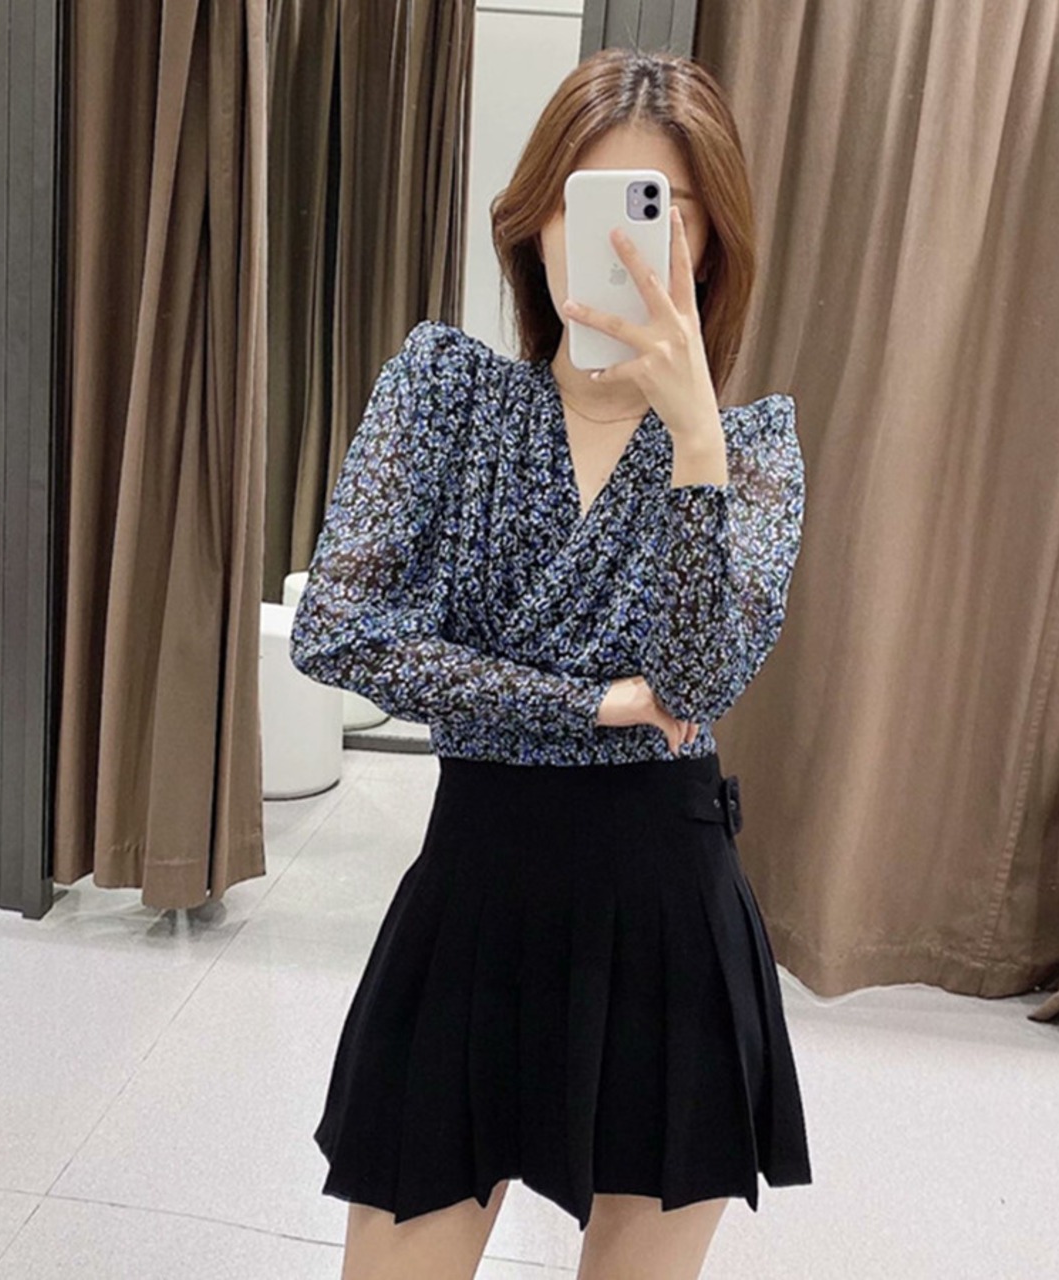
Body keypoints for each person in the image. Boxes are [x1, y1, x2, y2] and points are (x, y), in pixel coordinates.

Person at [290, 46, 812, 1280]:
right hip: (473, 893)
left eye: (657, 211)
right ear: (533, 221)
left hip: (666, 917)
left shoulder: (751, 450)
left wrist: (693, 440)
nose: (616, 245)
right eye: (587, 203)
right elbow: (338, 629)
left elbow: (696, 682)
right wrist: (591, 703)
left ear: (708, 241)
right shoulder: (446, 389)